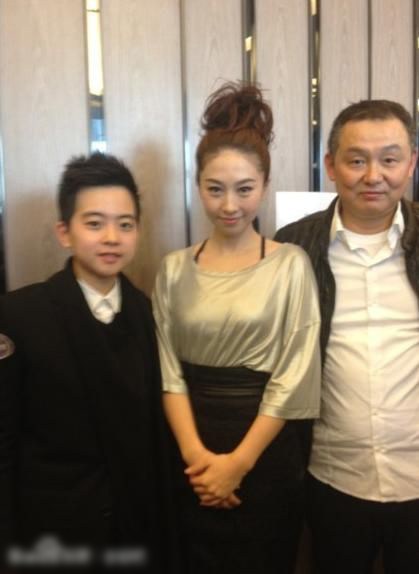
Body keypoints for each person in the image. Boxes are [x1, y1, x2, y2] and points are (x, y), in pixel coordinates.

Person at [152, 82, 321, 574]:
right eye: (215, 189)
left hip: (266, 452)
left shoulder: (290, 263)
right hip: (191, 451)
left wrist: (237, 466)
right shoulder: (173, 268)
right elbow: (168, 373)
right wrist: (200, 464)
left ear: (263, 186)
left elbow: (294, 376)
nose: (230, 205)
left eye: (244, 189)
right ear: (198, 185)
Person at [0, 153, 178, 573]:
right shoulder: (19, 316)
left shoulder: (147, 314)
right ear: (65, 232)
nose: (112, 237)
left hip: (134, 532)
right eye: (94, 223)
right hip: (51, 535)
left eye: (125, 224)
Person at [275, 99, 419, 574]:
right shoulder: (292, 247)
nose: (373, 175)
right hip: (334, 478)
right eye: (357, 160)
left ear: (411, 164)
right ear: (331, 166)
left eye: (390, 159)